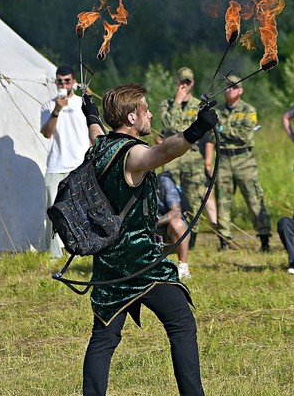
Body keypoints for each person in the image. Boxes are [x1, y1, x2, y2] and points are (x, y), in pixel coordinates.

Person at [80, 82, 217, 396]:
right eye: (145, 109)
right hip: (139, 262)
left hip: (108, 262)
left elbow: (94, 129)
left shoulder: (100, 146)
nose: (150, 114)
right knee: (182, 322)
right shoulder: (133, 154)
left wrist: (88, 106)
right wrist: (197, 129)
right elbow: (165, 151)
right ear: (131, 118)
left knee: (103, 338)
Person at [205, 76, 272, 252]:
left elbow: (246, 135)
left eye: (234, 87)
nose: (230, 90)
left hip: (244, 160)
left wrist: (222, 129)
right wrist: (208, 161)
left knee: (254, 198)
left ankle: (264, 239)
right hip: (224, 158)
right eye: (228, 87)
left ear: (241, 90)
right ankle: (224, 240)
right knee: (223, 200)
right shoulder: (218, 111)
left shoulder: (249, 110)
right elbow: (212, 137)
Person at [157, 67, 221, 244]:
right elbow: (170, 125)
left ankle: (191, 235)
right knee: (171, 194)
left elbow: (203, 132)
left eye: (188, 82)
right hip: (172, 156)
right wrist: (177, 102)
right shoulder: (166, 104)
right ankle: (172, 231)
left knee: (193, 196)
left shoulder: (197, 106)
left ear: (192, 83)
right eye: (182, 81)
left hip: (192, 157)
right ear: (176, 82)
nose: (184, 85)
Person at [41, 65, 92, 257]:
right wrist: (57, 110)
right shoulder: (48, 105)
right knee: (53, 210)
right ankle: (55, 253)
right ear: (56, 82)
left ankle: (85, 247)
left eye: (67, 81)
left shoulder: (82, 103)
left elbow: (93, 129)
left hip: (80, 164)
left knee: (84, 209)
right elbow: (47, 133)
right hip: (56, 164)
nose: (63, 84)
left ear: (73, 82)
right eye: (60, 81)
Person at [155, 170, 191, 279]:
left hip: (165, 233)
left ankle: (183, 266)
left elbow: (176, 212)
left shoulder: (164, 181)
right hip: (143, 234)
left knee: (177, 223)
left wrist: (155, 223)